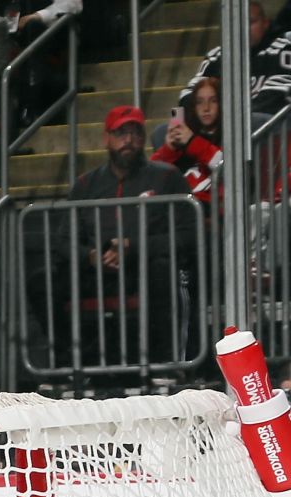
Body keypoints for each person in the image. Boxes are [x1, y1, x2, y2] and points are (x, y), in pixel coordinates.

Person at [62, 104, 193, 367]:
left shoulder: (167, 177)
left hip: (146, 268)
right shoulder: (86, 185)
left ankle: (166, 367)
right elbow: (63, 240)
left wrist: (133, 246)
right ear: (106, 139)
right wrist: (91, 256)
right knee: (42, 280)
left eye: (135, 132)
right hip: (98, 270)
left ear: (143, 138)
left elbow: (188, 235)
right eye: (121, 133)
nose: (129, 140)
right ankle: (71, 367)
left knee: (163, 271)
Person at [182, 1, 291, 132]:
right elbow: (188, 94)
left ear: (265, 24)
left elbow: (275, 98)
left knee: (252, 121)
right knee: (164, 131)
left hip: (269, 129)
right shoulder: (216, 56)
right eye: (238, 23)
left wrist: (223, 117)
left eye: (251, 22)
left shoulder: (283, 48)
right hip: (221, 125)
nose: (244, 28)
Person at [152, 76, 223, 204]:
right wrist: (169, 150)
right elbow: (150, 174)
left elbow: (225, 167)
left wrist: (192, 141)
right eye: (199, 102)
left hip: (212, 208)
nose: (206, 108)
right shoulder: (184, 135)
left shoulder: (230, 134)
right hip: (179, 206)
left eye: (213, 101)